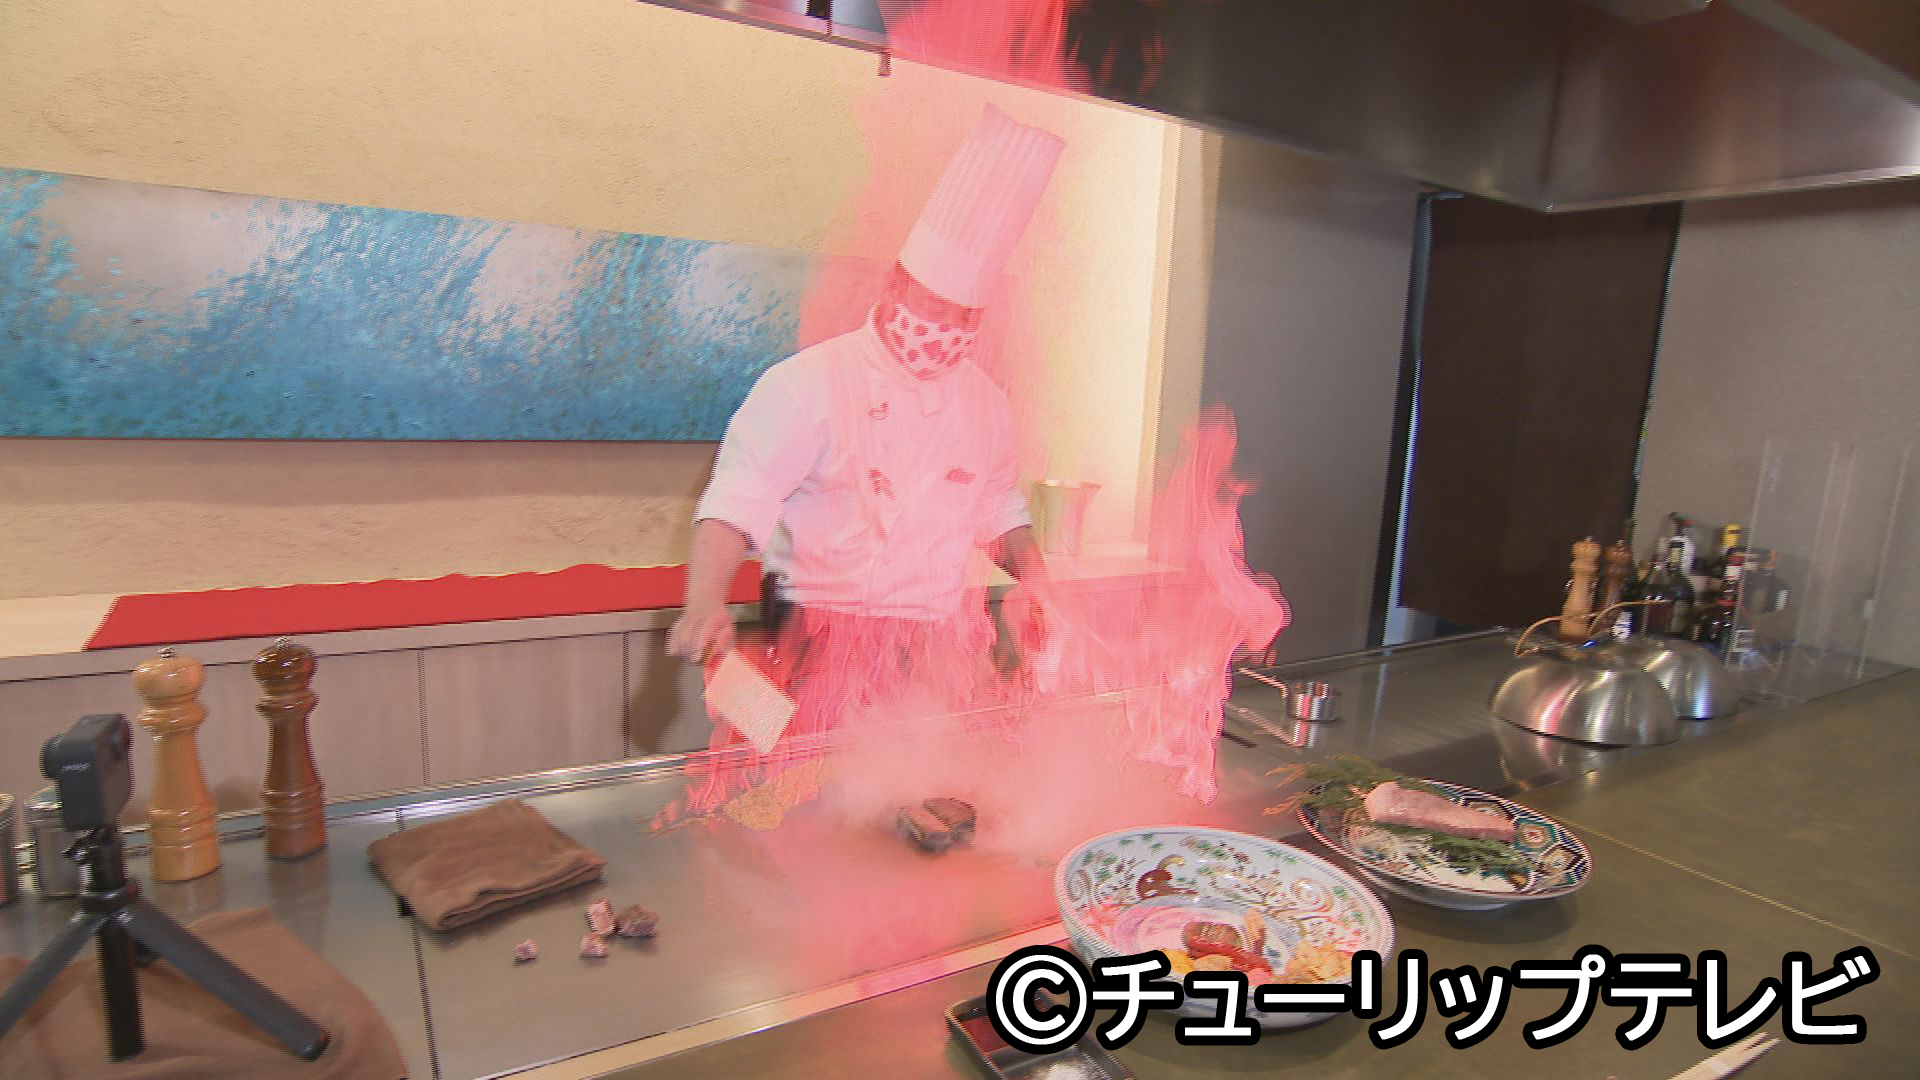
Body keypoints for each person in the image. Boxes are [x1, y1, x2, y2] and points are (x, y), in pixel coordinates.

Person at [665, 106, 1065, 788]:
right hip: (809, 637)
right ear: (894, 284)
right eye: (932, 303)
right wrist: (704, 601)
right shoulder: (806, 384)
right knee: (786, 794)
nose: (944, 326)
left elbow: (1000, 509)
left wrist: (1042, 589)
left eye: (964, 314)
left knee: (923, 794)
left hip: (934, 646)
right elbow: (737, 500)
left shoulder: (987, 404)